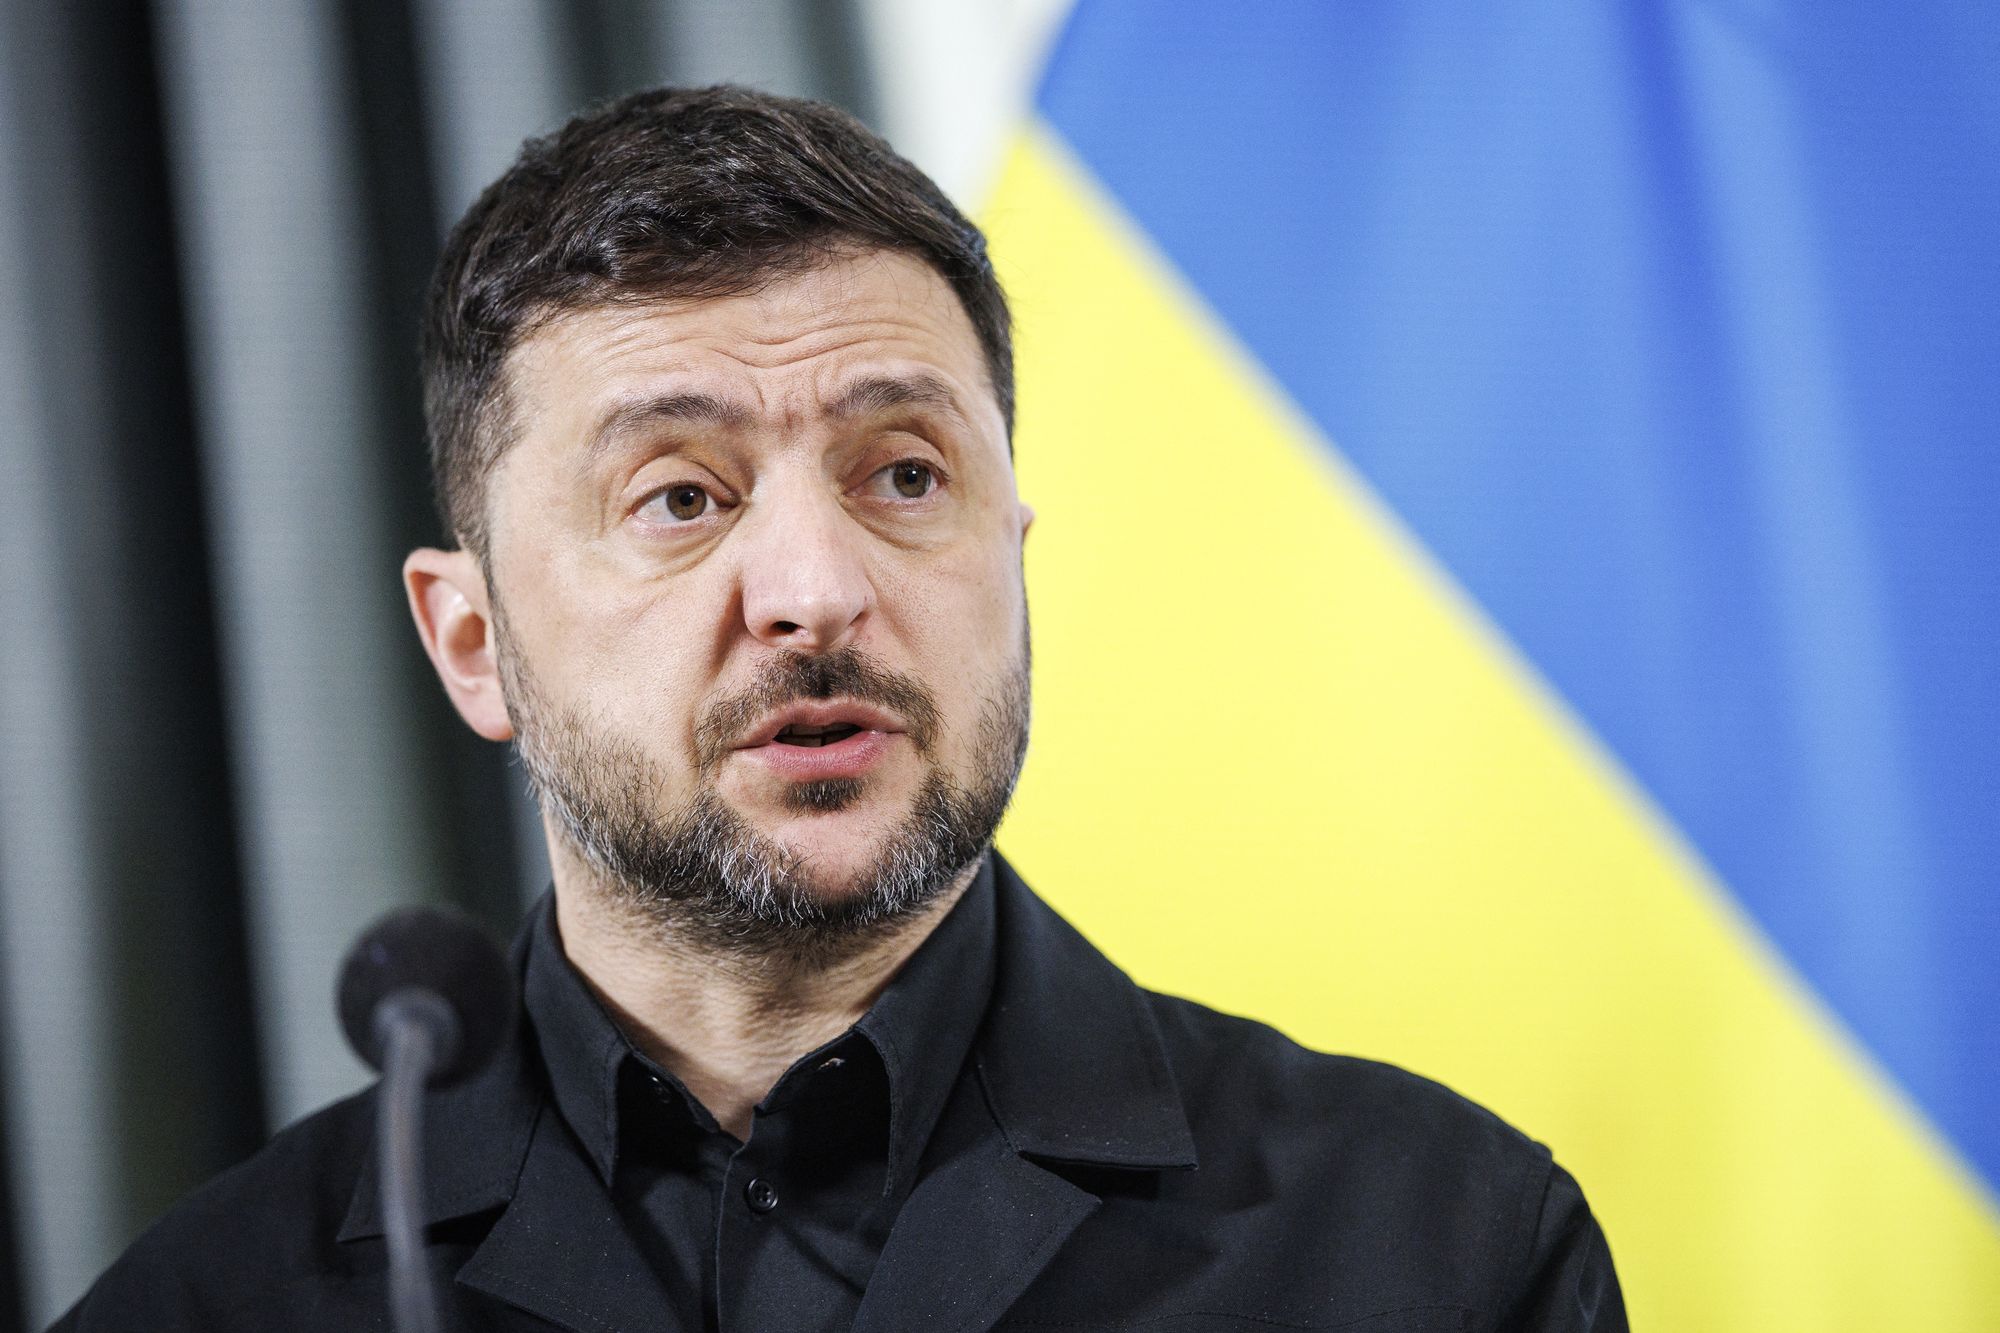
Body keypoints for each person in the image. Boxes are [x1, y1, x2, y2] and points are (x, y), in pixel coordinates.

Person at [55, 85, 1625, 1332]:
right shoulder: (214, 1303)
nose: (816, 586)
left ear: (1013, 558)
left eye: (904, 474)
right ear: (473, 641)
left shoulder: (1441, 1248)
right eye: (681, 495)